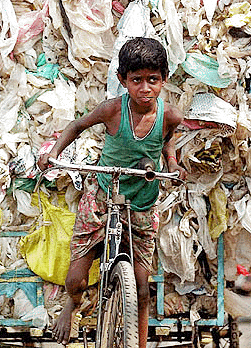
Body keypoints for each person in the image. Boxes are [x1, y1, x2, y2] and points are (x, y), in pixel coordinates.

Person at [37, 37, 187, 347]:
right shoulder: (111, 110)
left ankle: (139, 343)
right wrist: (54, 153)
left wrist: (172, 164)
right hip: (102, 197)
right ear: (122, 80)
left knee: (143, 289)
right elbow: (77, 126)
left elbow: (169, 140)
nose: (145, 88)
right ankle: (73, 306)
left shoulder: (170, 115)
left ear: (164, 80)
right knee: (75, 279)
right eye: (136, 80)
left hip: (143, 203)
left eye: (153, 80)